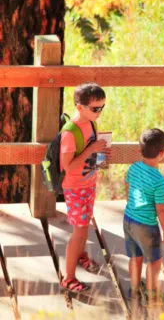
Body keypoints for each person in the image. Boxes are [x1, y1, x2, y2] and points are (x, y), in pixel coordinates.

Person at [60, 82, 110, 293]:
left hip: (88, 183)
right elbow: (68, 166)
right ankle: (69, 278)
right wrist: (92, 149)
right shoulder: (70, 132)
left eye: (102, 108)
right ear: (80, 108)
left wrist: (101, 155)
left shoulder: (90, 123)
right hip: (75, 188)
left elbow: (90, 153)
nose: (99, 112)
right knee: (79, 230)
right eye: (95, 108)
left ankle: (81, 255)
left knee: (85, 224)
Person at [123, 128, 164, 302]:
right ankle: (152, 295)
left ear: (140, 150)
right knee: (154, 261)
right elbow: (161, 210)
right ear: (162, 153)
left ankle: (134, 290)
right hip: (146, 225)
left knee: (135, 257)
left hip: (129, 218)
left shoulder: (134, 168)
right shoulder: (159, 181)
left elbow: (128, 190)